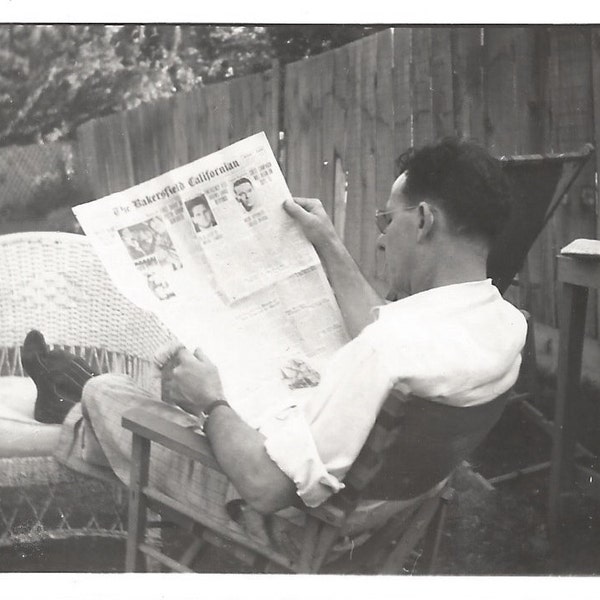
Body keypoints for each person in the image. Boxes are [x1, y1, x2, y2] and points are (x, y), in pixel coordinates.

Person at [24, 137, 526, 554]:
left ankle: (71, 395)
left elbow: (264, 487)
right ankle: (70, 394)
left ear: (424, 221)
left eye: (385, 221)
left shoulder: (384, 354)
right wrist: (327, 242)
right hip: (380, 508)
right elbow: (383, 329)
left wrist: (213, 401)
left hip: (296, 529)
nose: (379, 240)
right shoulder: (503, 325)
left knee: (110, 397)